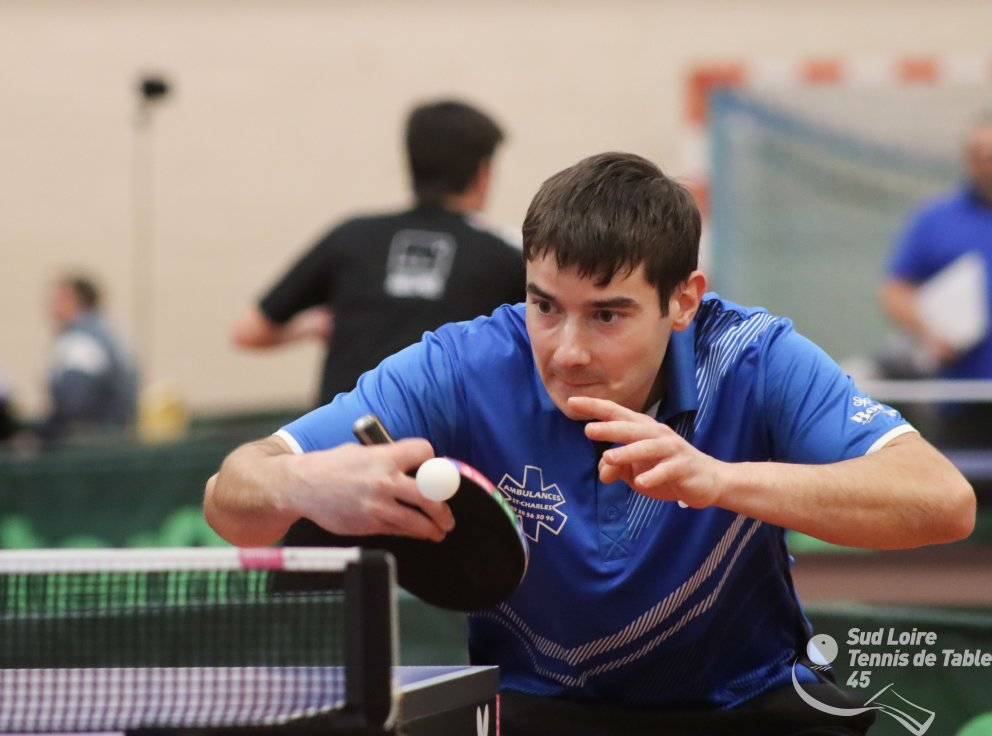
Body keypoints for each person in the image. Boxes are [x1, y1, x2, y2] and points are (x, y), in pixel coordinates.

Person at [205, 152, 976, 735]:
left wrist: (720, 480)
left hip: (742, 705)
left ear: (683, 300)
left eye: (606, 315)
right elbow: (231, 495)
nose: (567, 350)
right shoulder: (461, 365)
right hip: (538, 709)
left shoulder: (753, 359)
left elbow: (943, 502)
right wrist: (302, 486)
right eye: (545, 305)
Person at [231, 99, 526, 407]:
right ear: (483, 172)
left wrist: (311, 326)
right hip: (442, 436)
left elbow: (247, 331)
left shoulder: (351, 235)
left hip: (338, 431)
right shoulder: (506, 256)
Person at [880, 116, 992, 446]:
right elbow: (894, 290)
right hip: (962, 396)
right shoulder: (935, 220)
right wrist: (930, 330)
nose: (987, 163)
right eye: (979, 155)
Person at [36, 274, 138, 443]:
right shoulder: (106, 332)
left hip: (94, 441)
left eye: (57, 299)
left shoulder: (81, 342)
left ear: (75, 301)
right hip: (114, 435)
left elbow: (74, 406)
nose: (51, 306)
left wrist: (42, 436)